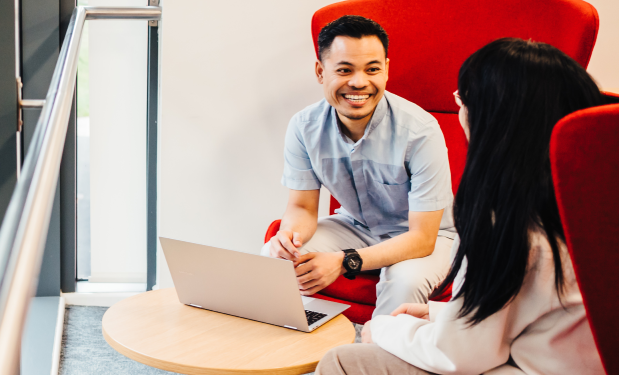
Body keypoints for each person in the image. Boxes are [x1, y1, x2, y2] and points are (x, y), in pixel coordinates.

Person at [317, 38, 609, 375]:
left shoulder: (508, 225)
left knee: (344, 359)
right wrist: (442, 314)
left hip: (525, 366)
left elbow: (459, 356)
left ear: (493, 120)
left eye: (463, 99)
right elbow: (534, 312)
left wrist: (382, 328)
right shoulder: (580, 205)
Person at [260, 15, 455, 316]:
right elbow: (302, 208)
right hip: (355, 226)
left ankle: (375, 359)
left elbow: (422, 238)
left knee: (404, 281)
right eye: (345, 70)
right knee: (275, 261)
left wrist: (344, 260)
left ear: (386, 70)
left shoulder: (420, 131)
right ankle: (288, 355)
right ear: (320, 72)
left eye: (372, 69)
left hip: (430, 237)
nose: (360, 83)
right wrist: (290, 239)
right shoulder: (303, 127)